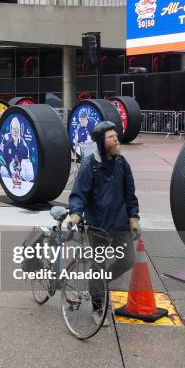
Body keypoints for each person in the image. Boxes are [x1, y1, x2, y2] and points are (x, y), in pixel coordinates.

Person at [68, 121, 141, 326]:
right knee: (97, 266)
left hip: (119, 224)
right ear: (101, 141)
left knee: (127, 259)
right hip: (97, 226)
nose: (116, 138)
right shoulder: (90, 164)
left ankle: (100, 282)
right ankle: (98, 308)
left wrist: (133, 217)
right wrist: (75, 213)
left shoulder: (122, 163)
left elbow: (130, 194)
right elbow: (79, 193)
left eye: (116, 135)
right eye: (111, 136)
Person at [0, 117, 34, 183]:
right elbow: (0, 154)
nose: (16, 131)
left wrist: (21, 168)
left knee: (29, 174)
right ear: (11, 129)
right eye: (14, 129)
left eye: (17, 129)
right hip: (7, 167)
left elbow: (26, 162)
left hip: (18, 169)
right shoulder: (6, 138)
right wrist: (6, 164)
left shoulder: (23, 145)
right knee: (3, 170)